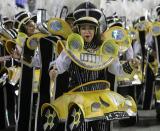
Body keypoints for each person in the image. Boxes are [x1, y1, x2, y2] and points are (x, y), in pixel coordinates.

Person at [49, 2, 138, 130]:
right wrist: (54, 71)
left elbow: (117, 70)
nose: (87, 31)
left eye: (90, 28)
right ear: (78, 30)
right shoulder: (71, 47)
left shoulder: (105, 48)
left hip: (102, 99)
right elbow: (59, 65)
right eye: (84, 28)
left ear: (96, 30)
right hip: (78, 100)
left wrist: (131, 64)